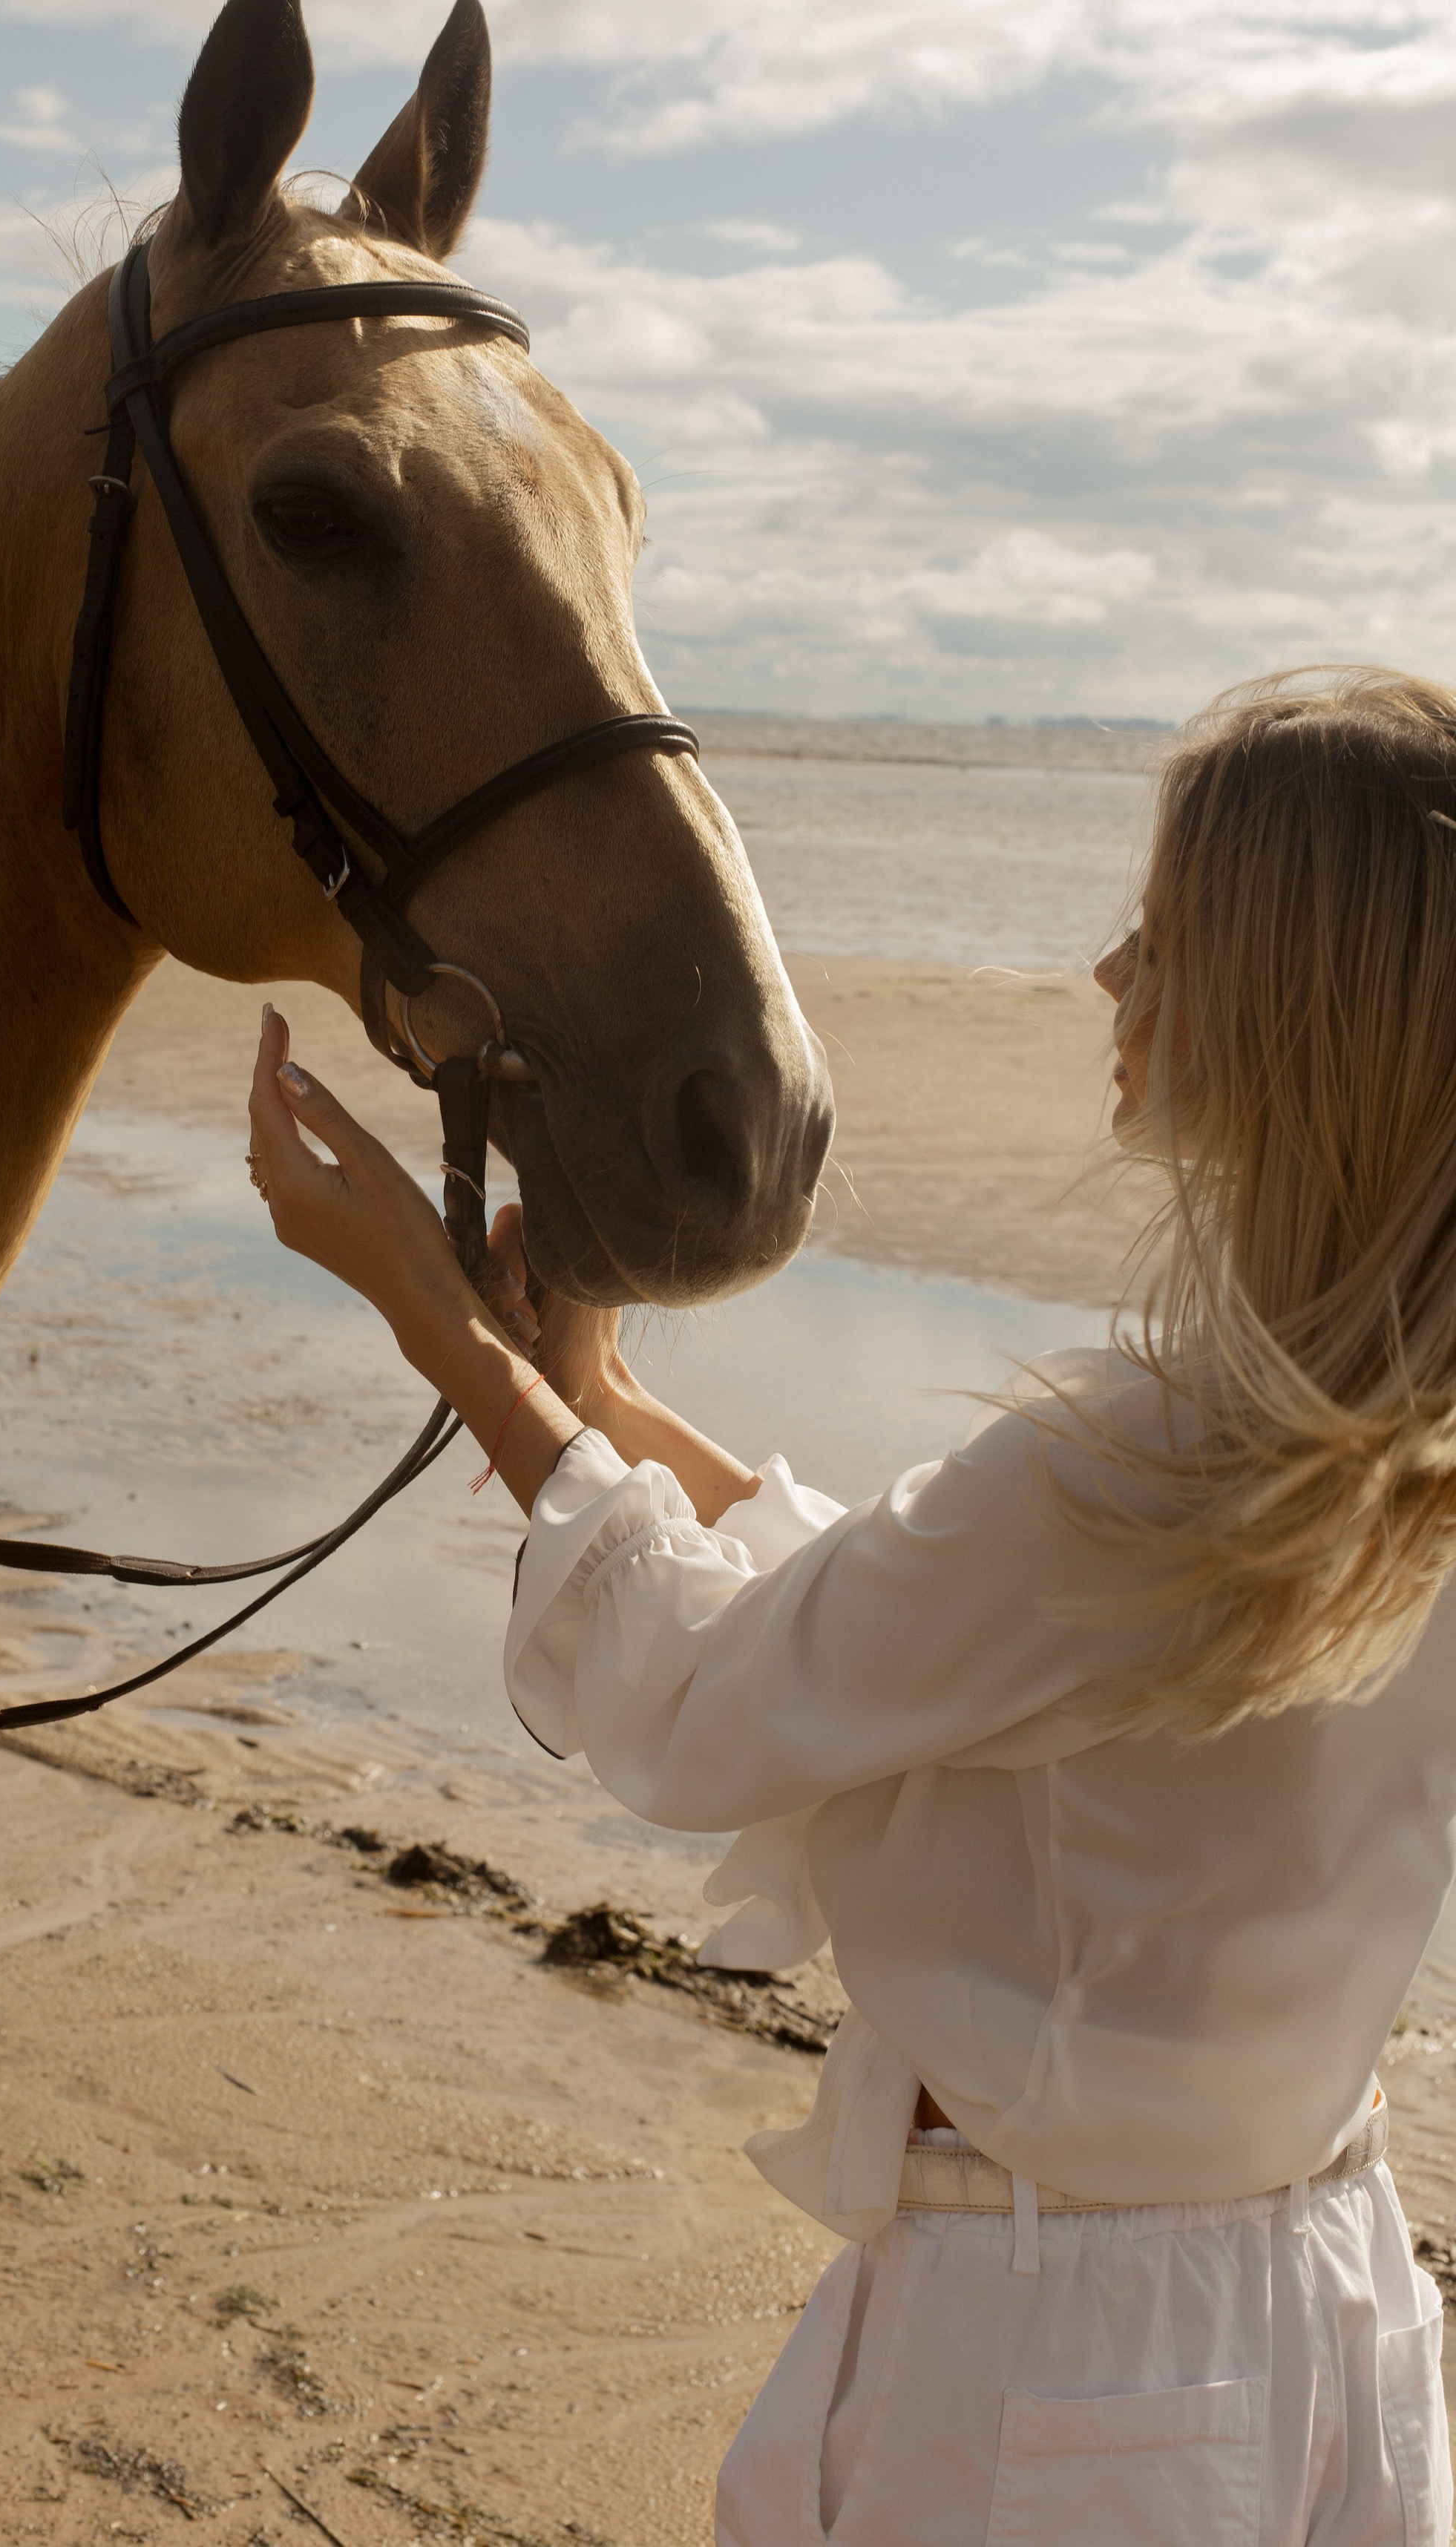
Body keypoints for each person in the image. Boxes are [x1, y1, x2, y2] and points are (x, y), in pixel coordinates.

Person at [246, 667, 1456, 2545]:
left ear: (1292, 1011)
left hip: (1059, 2354)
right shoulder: (1377, 1438)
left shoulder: (1137, 1460)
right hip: (1323, 2291)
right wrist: (613, 1404)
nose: (1107, 976)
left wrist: (431, 1313)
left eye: (1161, 932)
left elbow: (716, 1706)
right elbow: (948, 1639)